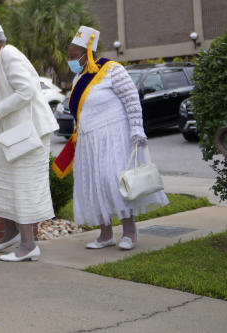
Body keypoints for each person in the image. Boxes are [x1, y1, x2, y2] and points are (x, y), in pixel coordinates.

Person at [52, 25, 168, 250]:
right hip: (88, 142)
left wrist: (136, 129)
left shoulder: (112, 69)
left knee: (114, 182)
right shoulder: (78, 80)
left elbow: (132, 100)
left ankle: (129, 231)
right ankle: (105, 234)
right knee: (95, 186)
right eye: (69, 57)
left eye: (74, 56)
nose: (71, 61)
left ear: (87, 53)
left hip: (113, 138)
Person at [0, 12, 59, 262]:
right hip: (13, 134)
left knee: (22, 187)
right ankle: (10, 235)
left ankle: (29, 245)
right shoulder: (2, 60)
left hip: (30, 134)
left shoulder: (9, 54)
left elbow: (27, 91)